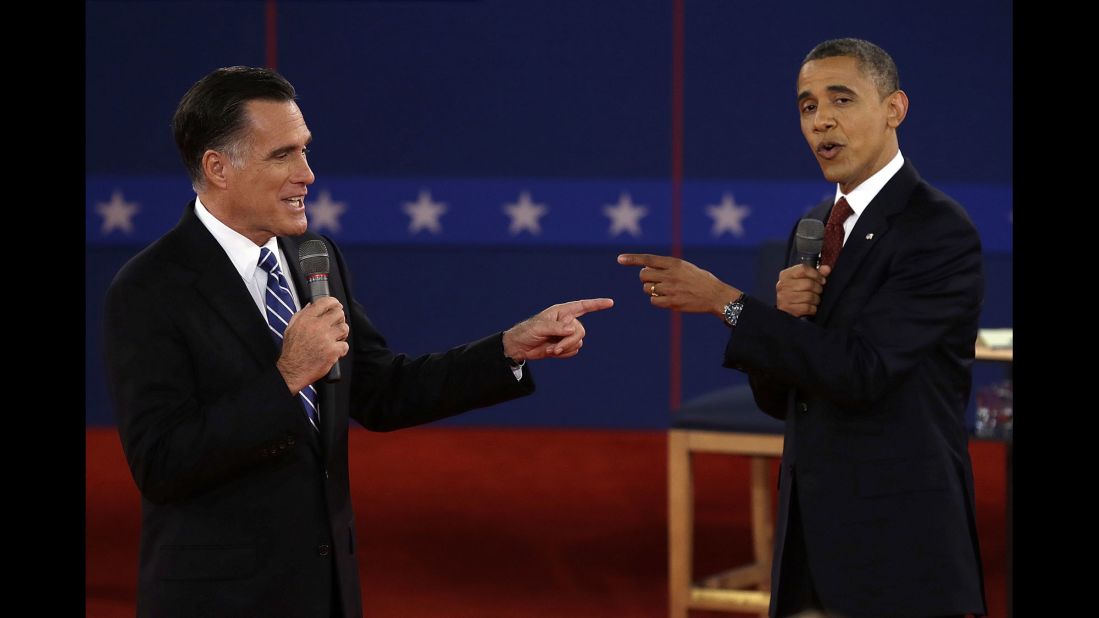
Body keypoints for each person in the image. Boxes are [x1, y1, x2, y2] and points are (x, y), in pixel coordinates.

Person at [102, 65, 613, 618]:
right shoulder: (151, 288)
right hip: (219, 597)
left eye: (305, 150)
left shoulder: (313, 258)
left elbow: (383, 391)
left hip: (327, 591)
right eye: (283, 155)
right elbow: (161, 465)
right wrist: (287, 377)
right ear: (218, 168)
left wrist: (508, 348)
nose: (308, 173)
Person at [619, 38, 986, 617]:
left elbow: (863, 375)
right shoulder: (813, 227)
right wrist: (786, 321)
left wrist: (728, 303)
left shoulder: (937, 230)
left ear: (895, 108)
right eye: (807, 106)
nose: (822, 120)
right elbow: (782, 399)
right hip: (811, 536)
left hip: (899, 542)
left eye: (841, 98)